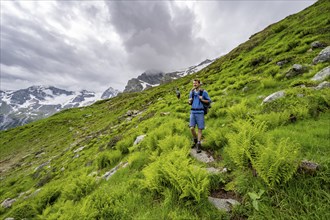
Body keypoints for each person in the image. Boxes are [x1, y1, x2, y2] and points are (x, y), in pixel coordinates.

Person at [188, 79, 211, 153]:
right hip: (193, 111)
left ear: (199, 84)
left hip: (200, 112)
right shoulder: (191, 92)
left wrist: (202, 99)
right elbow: (189, 102)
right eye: (193, 83)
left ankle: (198, 144)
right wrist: (189, 101)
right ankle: (195, 139)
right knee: (191, 128)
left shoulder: (203, 92)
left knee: (200, 129)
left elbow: (209, 101)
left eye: (196, 83)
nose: (194, 84)